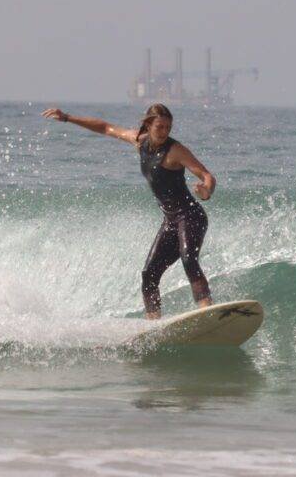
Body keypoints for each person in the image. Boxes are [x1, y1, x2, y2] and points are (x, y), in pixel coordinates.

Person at [41, 103, 216, 319]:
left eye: (168, 127)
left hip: (191, 216)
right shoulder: (139, 141)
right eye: (160, 126)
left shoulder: (175, 150)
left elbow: (207, 176)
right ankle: (153, 323)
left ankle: (207, 310)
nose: (164, 132)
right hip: (171, 220)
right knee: (148, 275)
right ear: (148, 125)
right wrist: (67, 118)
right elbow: (106, 128)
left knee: (188, 259)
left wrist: (206, 191)